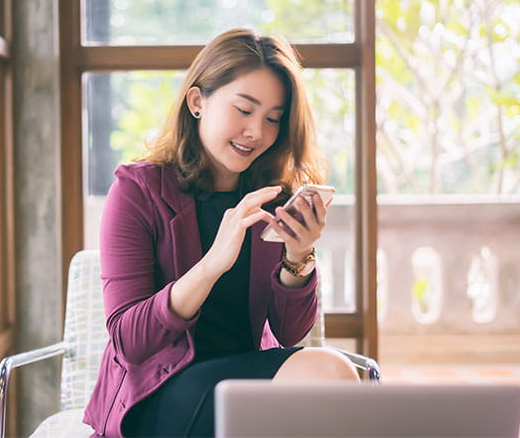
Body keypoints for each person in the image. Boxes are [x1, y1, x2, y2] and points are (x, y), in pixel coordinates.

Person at [83, 28, 359, 438]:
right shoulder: (138, 191)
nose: (257, 132)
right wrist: (212, 263)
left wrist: (298, 259)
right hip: (157, 395)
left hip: (244, 380)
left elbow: (288, 333)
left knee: (325, 380)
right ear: (198, 101)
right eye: (244, 110)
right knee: (330, 371)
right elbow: (130, 341)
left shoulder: (270, 197)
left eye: (272, 119)